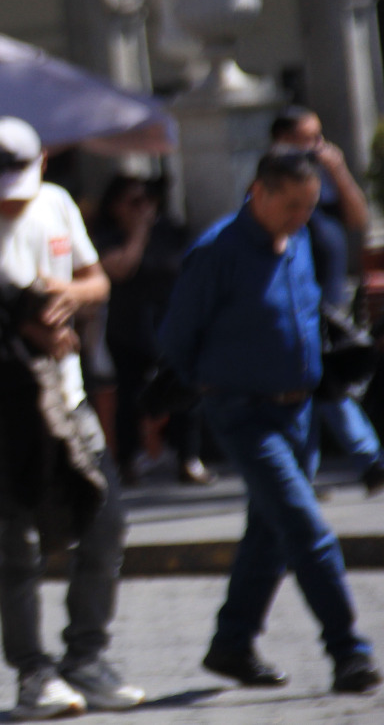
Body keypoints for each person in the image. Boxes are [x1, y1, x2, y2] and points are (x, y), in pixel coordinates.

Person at [0, 117, 142, 720]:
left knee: (106, 524)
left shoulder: (57, 204)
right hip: (3, 407)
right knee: (19, 546)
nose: (12, 194)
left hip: (68, 397)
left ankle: (86, 657)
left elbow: (96, 278)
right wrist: (18, 321)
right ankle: (32, 673)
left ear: (43, 161)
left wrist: (71, 298)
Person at [157, 150, 380, 694]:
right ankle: (349, 650)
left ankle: (232, 643)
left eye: (308, 205)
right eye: (292, 204)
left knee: (270, 534)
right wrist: (210, 383)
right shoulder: (217, 252)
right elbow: (175, 337)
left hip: (299, 411)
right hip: (242, 413)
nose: (301, 216)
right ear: (259, 192)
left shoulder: (299, 240)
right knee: (307, 528)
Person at [268, 106, 384, 495]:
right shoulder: (276, 184)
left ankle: (305, 474)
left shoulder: (324, 182)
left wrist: (337, 171)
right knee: (321, 388)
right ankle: (367, 462)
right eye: (307, 138)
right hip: (302, 310)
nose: (317, 146)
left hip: (335, 306)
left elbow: (358, 220)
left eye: (319, 137)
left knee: (318, 391)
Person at [88, 176, 208, 486]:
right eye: (134, 202)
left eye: (148, 201)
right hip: (129, 330)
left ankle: (188, 457)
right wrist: (138, 231)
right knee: (130, 398)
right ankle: (127, 460)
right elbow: (121, 268)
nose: (144, 208)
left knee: (185, 394)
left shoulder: (170, 232)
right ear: (116, 207)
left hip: (171, 325)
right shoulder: (107, 237)